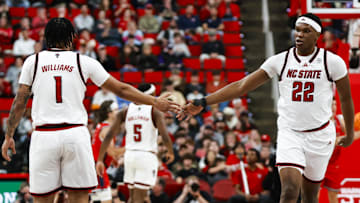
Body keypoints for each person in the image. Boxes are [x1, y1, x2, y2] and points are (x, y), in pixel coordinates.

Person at [178, 13, 355, 203]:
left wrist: (350, 133)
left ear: (317, 36)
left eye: (306, 31)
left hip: (320, 134)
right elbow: (241, 85)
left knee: (311, 196)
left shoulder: (332, 62)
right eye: (298, 30)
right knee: (288, 190)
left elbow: (345, 99)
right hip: (290, 133)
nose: (300, 35)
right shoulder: (280, 60)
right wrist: (203, 101)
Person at [1, 18, 179, 203]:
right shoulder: (83, 61)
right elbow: (121, 89)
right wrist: (154, 101)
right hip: (75, 134)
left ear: (46, 38)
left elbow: (20, 101)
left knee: (42, 200)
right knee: (79, 198)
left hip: (44, 136)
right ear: (72, 38)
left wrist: (9, 136)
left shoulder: (33, 62)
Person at [96, 83, 175, 203]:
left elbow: (108, 137)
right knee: (139, 198)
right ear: (152, 95)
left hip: (129, 156)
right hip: (146, 156)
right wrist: (170, 151)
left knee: (133, 198)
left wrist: (100, 159)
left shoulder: (125, 111)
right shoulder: (155, 111)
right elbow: (165, 136)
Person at [91, 100, 125, 203]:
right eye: (116, 110)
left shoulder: (101, 126)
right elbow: (112, 152)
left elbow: (104, 150)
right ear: (109, 114)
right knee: (106, 200)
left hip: (95, 167)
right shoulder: (107, 129)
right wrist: (131, 146)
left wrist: (113, 160)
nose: (118, 112)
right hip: (98, 169)